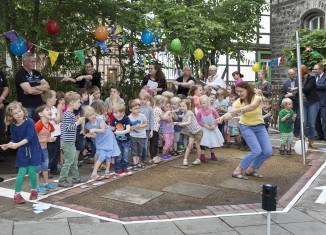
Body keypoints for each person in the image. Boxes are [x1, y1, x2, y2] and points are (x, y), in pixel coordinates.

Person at [218, 82, 273, 180]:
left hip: (260, 126)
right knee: (256, 150)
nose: (239, 93)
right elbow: (231, 113)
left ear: (247, 89)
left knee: (268, 151)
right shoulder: (238, 102)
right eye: (237, 92)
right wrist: (222, 118)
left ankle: (251, 169)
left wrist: (237, 110)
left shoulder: (257, 97)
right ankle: (237, 170)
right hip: (246, 126)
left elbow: (252, 107)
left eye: (241, 91)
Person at [1, 102, 43, 204]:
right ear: (12, 116)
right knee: (21, 172)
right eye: (15, 113)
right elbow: (14, 139)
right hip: (23, 151)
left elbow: (29, 138)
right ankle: (17, 194)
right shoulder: (13, 126)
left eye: (19, 111)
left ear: (23, 110)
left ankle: (34, 190)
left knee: (32, 171)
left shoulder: (29, 122)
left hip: (33, 149)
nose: (19, 114)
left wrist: (17, 145)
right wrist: (8, 145)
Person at [58, 92, 88, 188]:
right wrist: (78, 122)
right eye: (78, 102)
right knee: (69, 161)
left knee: (74, 160)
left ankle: (76, 177)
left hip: (70, 141)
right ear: (72, 102)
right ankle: (62, 180)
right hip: (67, 142)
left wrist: (76, 120)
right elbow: (67, 128)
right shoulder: (67, 114)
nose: (80, 104)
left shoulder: (70, 114)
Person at [84, 106, 121, 180]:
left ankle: (107, 172)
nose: (93, 116)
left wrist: (94, 129)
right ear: (87, 116)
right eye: (90, 115)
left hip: (108, 137)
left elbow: (103, 130)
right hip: (100, 140)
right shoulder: (87, 125)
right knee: (102, 156)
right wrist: (90, 135)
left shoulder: (100, 119)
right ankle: (94, 174)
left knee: (108, 155)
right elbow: (95, 136)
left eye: (93, 114)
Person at [15, 52, 50, 118]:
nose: (34, 63)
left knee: (39, 126)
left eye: (34, 61)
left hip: (39, 105)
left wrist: (36, 87)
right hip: (27, 107)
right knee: (28, 126)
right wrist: (41, 90)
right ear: (25, 63)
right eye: (32, 62)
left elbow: (47, 86)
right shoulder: (20, 74)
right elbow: (30, 91)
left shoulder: (37, 73)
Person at [35, 105, 58, 194]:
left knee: (45, 166)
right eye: (47, 110)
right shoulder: (38, 125)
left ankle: (45, 183)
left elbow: (48, 134)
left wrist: (50, 139)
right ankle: (35, 186)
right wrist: (47, 139)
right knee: (37, 168)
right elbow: (32, 139)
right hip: (36, 150)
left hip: (44, 149)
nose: (50, 111)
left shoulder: (50, 125)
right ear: (40, 114)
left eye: (50, 110)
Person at [41, 90, 63, 176]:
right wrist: (59, 109)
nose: (56, 99)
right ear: (49, 99)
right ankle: (46, 169)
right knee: (50, 153)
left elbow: (60, 119)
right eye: (54, 97)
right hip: (51, 134)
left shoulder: (54, 108)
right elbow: (57, 120)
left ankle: (53, 168)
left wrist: (59, 110)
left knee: (56, 152)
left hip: (57, 133)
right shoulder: (47, 109)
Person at [175, 99, 203, 166]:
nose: (182, 108)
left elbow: (189, 122)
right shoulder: (183, 114)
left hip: (198, 131)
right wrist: (177, 122)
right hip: (191, 132)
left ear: (188, 106)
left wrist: (179, 124)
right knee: (189, 145)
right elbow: (182, 121)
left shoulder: (189, 113)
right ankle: (185, 160)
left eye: (183, 106)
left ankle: (198, 159)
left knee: (197, 146)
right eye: (181, 106)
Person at [196, 95, 224, 161]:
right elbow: (198, 120)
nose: (202, 105)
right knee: (203, 141)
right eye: (201, 103)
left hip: (212, 127)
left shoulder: (212, 110)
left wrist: (214, 125)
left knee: (212, 141)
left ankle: (212, 154)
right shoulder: (199, 111)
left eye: (204, 103)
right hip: (204, 128)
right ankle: (202, 155)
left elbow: (218, 118)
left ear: (208, 103)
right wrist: (205, 125)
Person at [301, 65, 320, 148]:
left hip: (313, 102)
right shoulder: (300, 79)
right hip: (303, 103)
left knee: (311, 123)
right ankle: (303, 139)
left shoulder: (311, 78)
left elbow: (307, 89)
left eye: (300, 70)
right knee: (304, 122)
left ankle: (311, 140)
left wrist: (297, 88)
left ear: (303, 71)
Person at [112, 103, 133, 176]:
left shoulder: (126, 119)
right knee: (118, 156)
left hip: (126, 141)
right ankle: (118, 170)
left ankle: (125, 168)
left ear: (122, 113)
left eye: (116, 112)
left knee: (125, 156)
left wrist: (119, 132)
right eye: (113, 112)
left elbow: (128, 130)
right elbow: (113, 127)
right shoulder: (114, 119)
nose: (114, 114)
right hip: (117, 141)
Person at [278, 69, 300, 137]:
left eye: (294, 73)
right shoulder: (285, 83)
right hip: (289, 103)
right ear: (288, 75)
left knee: (298, 116)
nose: (293, 75)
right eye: (291, 74)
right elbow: (282, 92)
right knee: (290, 117)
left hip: (298, 101)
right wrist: (279, 102)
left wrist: (292, 94)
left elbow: (301, 90)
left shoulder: (299, 81)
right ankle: (290, 131)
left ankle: (297, 132)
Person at [128, 100, 148, 170]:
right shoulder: (129, 117)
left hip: (142, 136)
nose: (137, 110)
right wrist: (132, 127)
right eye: (135, 109)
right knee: (134, 150)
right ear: (130, 109)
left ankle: (137, 162)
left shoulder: (142, 115)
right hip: (133, 136)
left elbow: (146, 123)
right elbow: (127, 127)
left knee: (140, 150)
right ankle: (135, 163)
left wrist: (141, 126)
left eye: (138, 108)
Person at [150, 95, 167, 164]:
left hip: (154, 128)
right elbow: (163, 118)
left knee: (153, 143)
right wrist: (168, 112)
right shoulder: (158, 109)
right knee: (154, 143)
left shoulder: (154, 108)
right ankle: (154, 157)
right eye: (164, 103)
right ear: (161, 103)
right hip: (155, 129)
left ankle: (154, 156)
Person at [139, 91, 154, 162]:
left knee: (144, 144)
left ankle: (143, 158)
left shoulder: (150, 108)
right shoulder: (137, 108)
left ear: (148, 100)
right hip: (138, 129)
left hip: (146, 129)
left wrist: (151, 130)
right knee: (138, 144)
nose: (142, 101)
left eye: (144, 99)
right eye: (141, 99)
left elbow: (151, 120)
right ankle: (136, 158)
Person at [314, 63, 326, 141]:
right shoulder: (315, 77)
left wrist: (315, 86)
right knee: (316, 120)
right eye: (313, 69)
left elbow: (325, 86)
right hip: (315, 102)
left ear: (321, 69)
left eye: (316, 69)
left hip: (324, 102)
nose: (314, 71)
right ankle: (320, 135)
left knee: (325, 120)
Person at [0, 71, 9, 162]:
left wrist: (1, 99)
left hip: (1, 106)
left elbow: (6, 88)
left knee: (1, 131)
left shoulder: (1, 73)